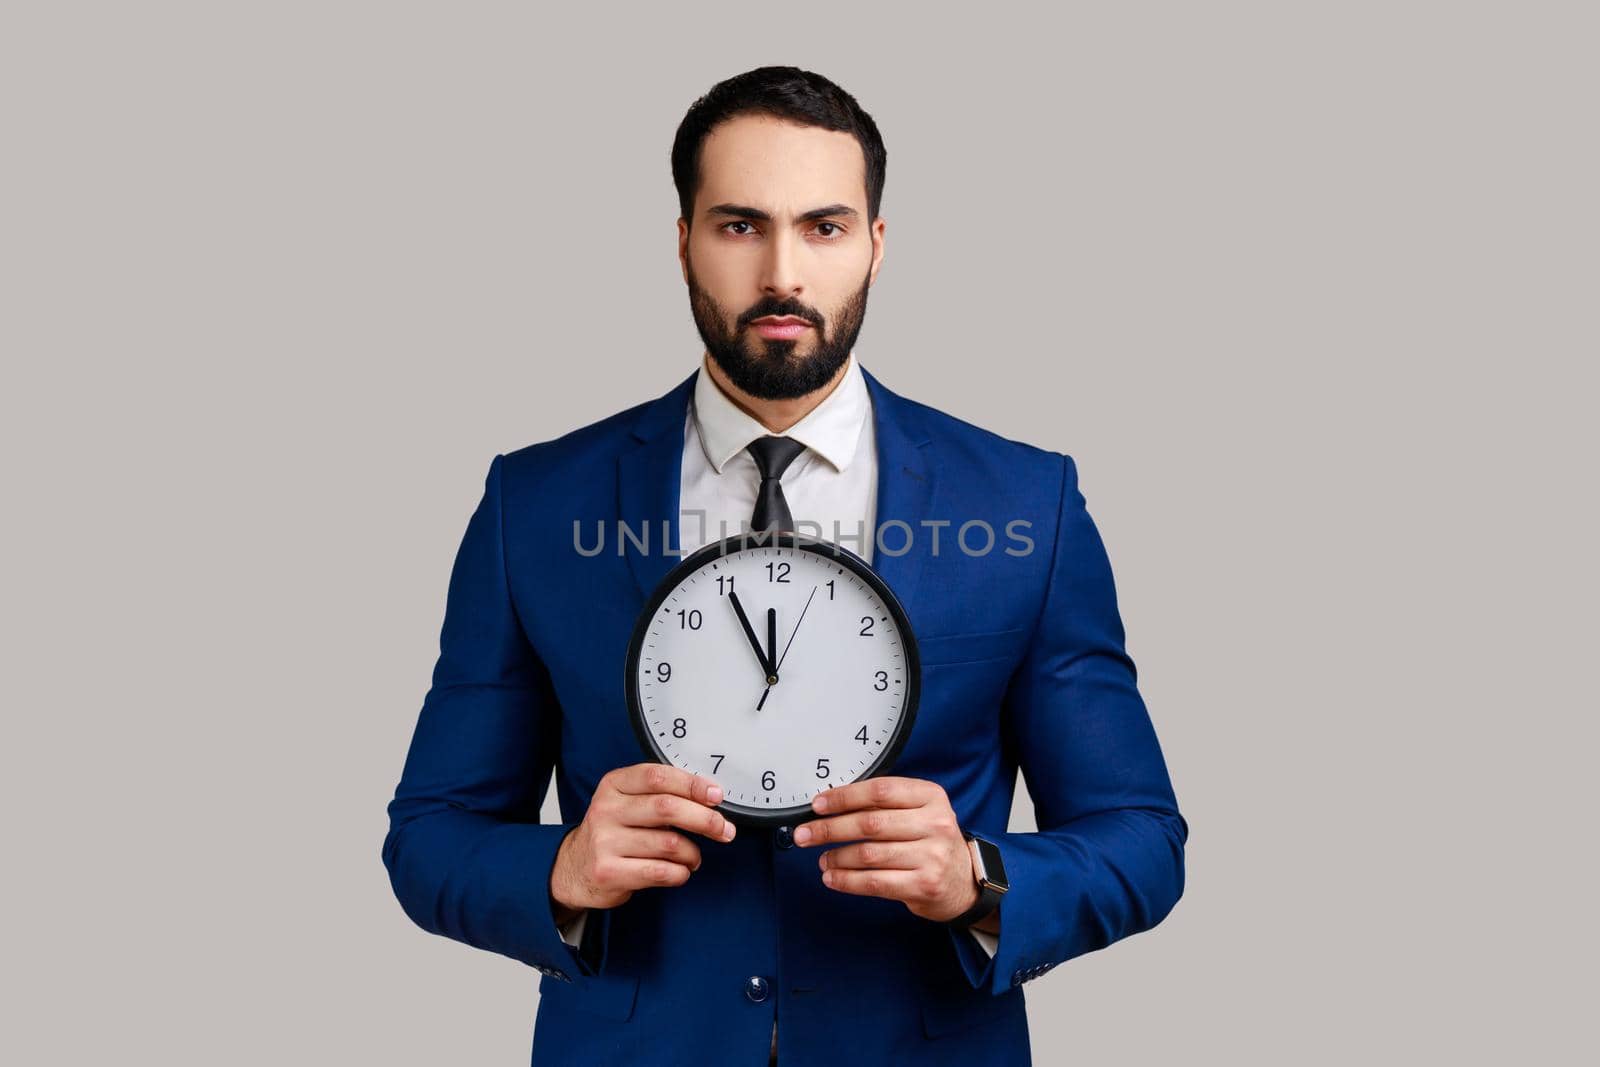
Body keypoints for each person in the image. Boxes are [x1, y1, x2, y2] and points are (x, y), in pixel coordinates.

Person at [382, 66, 1188, 1066]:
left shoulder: (1025, 504)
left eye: (823, 227)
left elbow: (1140, 836)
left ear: (876, 246)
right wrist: (561, 865)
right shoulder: (537, 504)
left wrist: (977, 877)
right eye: (737, 226)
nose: (781, 275)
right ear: (681, 241)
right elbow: (430, 833)